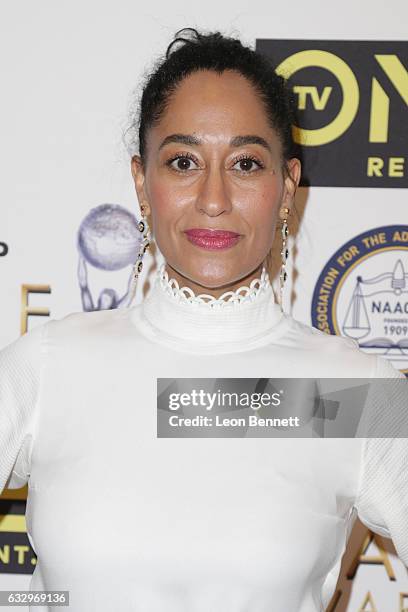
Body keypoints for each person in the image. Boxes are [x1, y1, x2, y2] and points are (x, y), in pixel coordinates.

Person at [0, 27, 407, 612]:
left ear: (286, 187)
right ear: (143, 184)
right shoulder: (49, 366)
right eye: (184, 161)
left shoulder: (355, 391)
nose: (213, 198)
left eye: (245, 163)